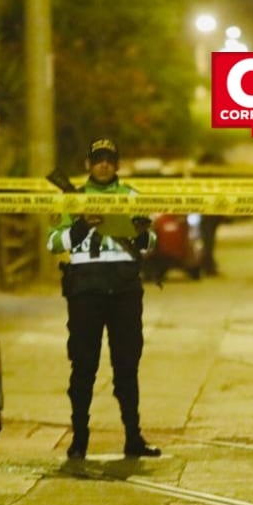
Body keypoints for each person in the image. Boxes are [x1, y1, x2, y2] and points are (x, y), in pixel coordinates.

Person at [46, 137, 161, 459]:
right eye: (98, 159)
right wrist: (80, 228)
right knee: (83, 367)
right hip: (86, 292)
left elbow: (150, 244)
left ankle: (133, 437)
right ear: (88, 164)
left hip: (124, 291)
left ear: (118, 164)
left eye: (110, 159)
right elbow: (53, 243)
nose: (104, 164)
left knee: (127, 366)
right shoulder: (73, 199)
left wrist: (141, 236)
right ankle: (79, 439)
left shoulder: (131, 197)